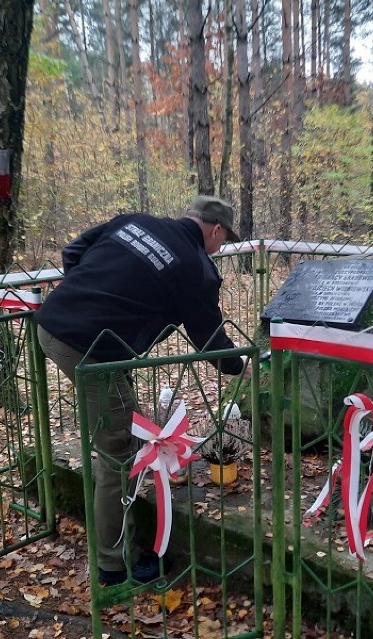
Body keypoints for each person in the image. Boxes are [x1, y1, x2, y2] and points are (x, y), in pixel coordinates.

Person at [35, 195, 249, 586]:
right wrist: (240, 366)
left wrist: (88, 299)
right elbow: (209, 337)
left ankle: (113, 550)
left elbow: (75, 250)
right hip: (88, 351)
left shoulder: (133, 221)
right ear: (215, 229)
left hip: (51, 324)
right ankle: (115, 565)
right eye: (225, 237)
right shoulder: (195, 268)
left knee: (119, 421)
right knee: (120, 451)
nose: (223, 245)